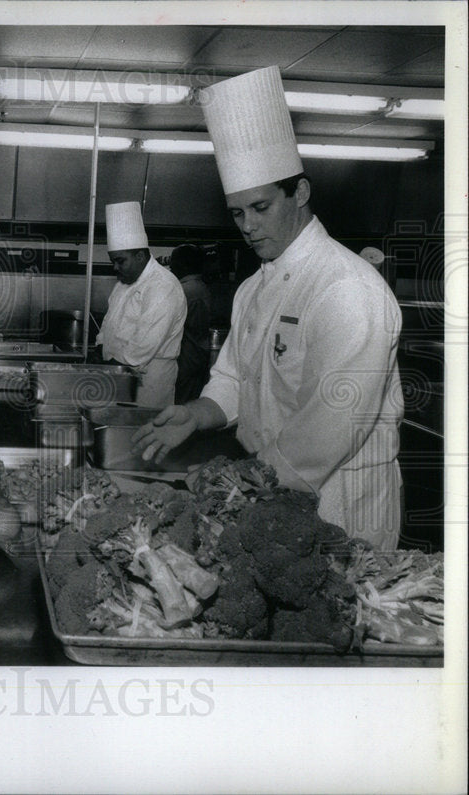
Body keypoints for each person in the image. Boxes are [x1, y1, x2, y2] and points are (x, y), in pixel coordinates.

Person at [133, 66, 404, 550]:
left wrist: (238, 483)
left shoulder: (345, 289)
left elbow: (329, 426)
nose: (248, 227)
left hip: (339, 502)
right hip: (269, 493)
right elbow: (236, 379)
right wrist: (196, 414)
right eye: (237, 213)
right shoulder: (253, 289)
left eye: (260, 208)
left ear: (299, 192)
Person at [95, 201, 187, 408]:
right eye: (113, 262)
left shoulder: (163, 286)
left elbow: (142, 347)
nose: (115, 268)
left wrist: (105, 369)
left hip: (147, 383)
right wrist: (100, 344)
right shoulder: (123, 283)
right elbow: (109, 321)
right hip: (118, 377)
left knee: (141, 434)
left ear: (139, 255)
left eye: (120, 261)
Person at [170, 244, 212, 404]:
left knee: (182, 403)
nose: (171, 266)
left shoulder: (185, 290)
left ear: (184, 264)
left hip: (187, 356)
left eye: (174, 262)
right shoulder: (199, 287)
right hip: (196, 354)